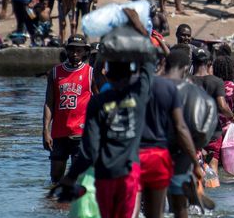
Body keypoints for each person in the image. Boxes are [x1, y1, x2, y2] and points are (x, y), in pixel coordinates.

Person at [55, 31, 157, 218]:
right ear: (132, 74)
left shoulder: (97, 102)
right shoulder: (140, 97)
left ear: (107, 74)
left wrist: (70, 177)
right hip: (130, 172)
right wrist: (141, 34)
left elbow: (89, 149)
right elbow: (149, 66)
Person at [139, 49, 200, 218]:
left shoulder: (136, 86)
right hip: (158, 155)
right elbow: (181, 127)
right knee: (172, 205)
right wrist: (195, 161)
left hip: (133, 155)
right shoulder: (170, 88)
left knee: (137, 206)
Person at [158, 46, 206, 218]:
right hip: (179, 154)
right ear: (186, 68)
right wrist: (195, 160)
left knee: (151, 205)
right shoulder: (188, 89)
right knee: (179, 207)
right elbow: (185, 126)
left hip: (150, 152)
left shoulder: (151, 85)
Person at [191, 48, 234, 175]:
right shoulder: (216, 81)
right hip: (212, 131)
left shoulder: (187, 80)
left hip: (192, 131)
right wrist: (232, 116)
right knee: (213, 167)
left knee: (193, 169)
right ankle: (214, 192)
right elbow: (222, 106)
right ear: (210, 63)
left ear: (192, 62)